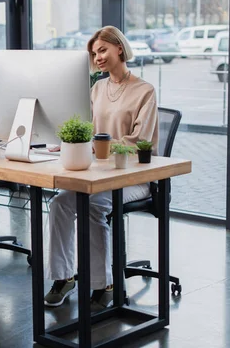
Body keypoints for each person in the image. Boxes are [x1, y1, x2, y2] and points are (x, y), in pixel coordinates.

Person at [44, 26, 159, 310]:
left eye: (103, 50)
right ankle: (63, 277)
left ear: (119, 48)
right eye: (94, 53)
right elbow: (88, 130)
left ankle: (104, 284)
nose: (98, 57)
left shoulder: (144, 90)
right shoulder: (97, 88)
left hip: (133, 178)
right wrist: (72, 143)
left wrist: (97, 147)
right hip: (99, 175)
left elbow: (140, 141)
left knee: (94, 205)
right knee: (59, 203)